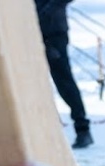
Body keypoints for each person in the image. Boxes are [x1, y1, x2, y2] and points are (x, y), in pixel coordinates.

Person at [34, 0, 93, 149]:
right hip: (30, 31)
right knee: (32, 82)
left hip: (54, 32)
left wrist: (50, 7)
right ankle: (37, 130)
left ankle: (82, 129)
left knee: (63, 81)